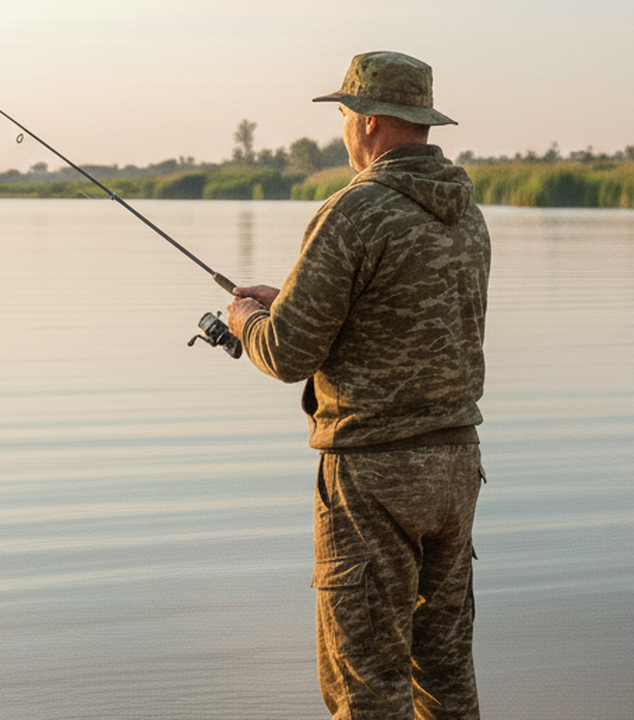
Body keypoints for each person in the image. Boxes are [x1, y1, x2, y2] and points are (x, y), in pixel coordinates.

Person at [225, 51, 490, 720]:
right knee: (446, 673)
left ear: (370, 121)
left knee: (366, 688)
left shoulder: (355, 211)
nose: (342, 126)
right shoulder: (466, 214)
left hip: (373, 477)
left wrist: (248, 319)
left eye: (344, 113)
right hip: (455, 471)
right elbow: (405, 317)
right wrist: (294, 298)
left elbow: (285, 354)